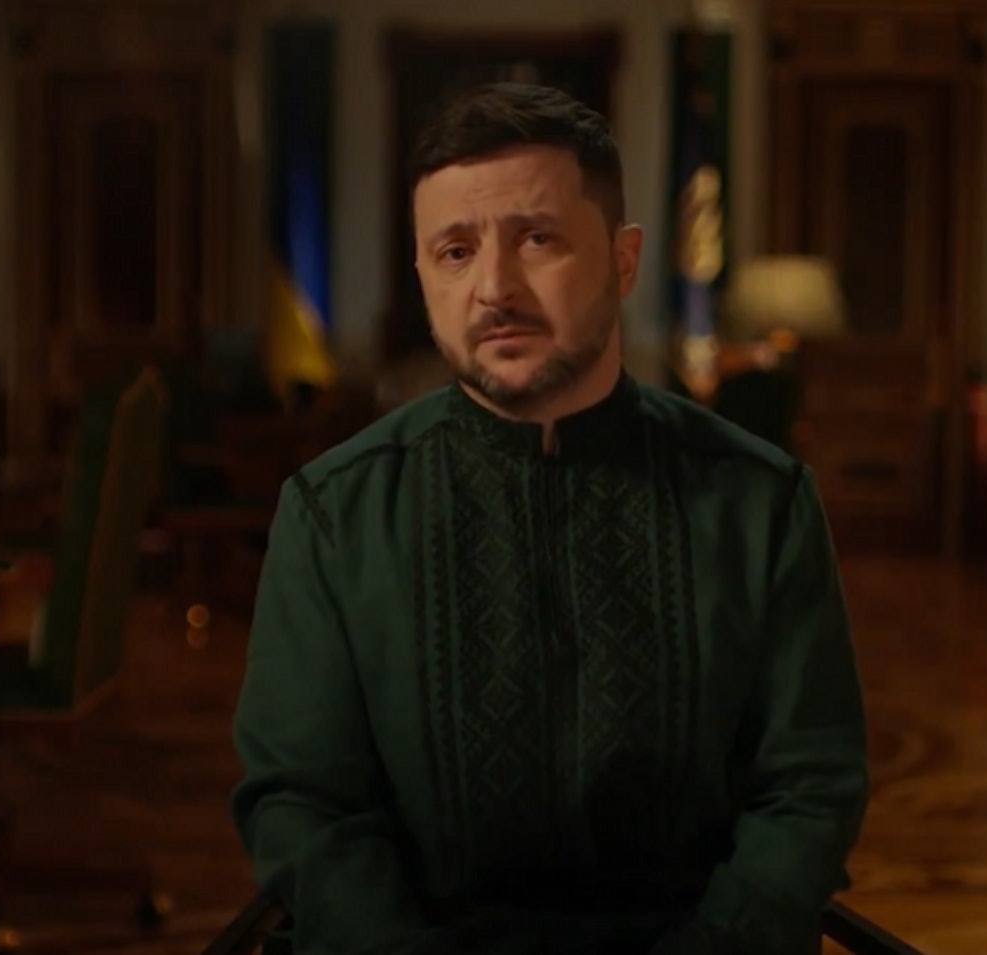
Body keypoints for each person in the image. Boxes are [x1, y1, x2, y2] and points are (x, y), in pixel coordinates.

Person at [232, 82, 868, 955]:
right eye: (456, 251)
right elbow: (304, 804)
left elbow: (808, 790)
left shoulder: (762, 502)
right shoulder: (334, 514)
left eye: (537, 238)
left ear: (624, 260)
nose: (494, 288)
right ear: (422, 275)